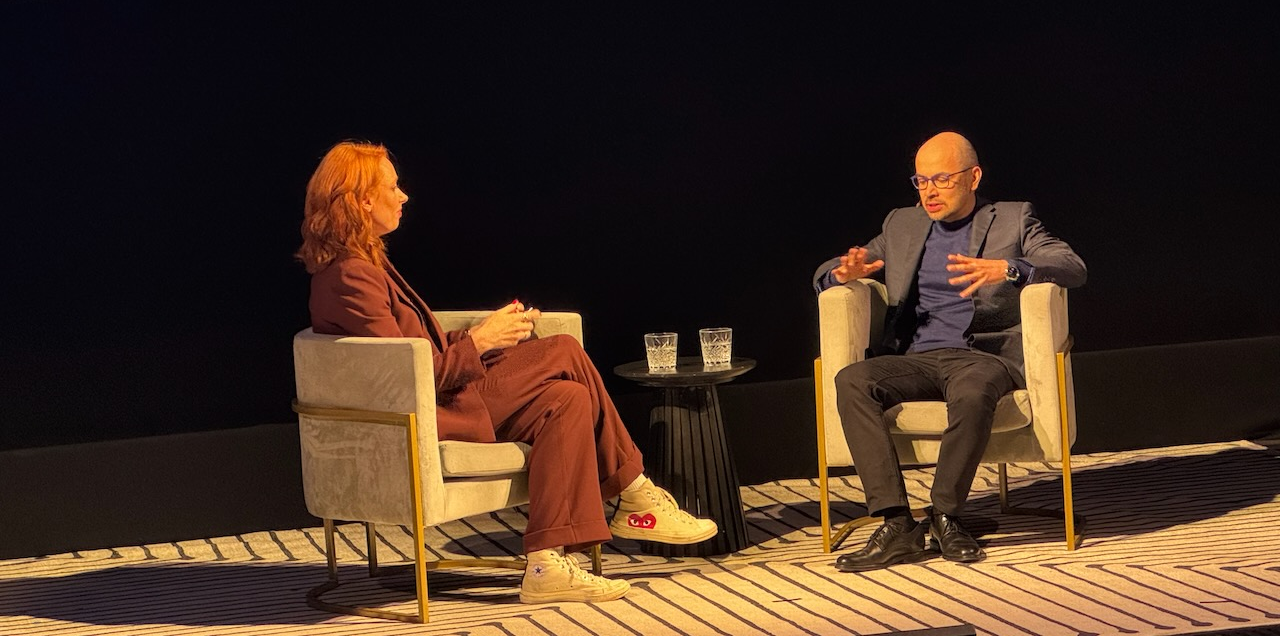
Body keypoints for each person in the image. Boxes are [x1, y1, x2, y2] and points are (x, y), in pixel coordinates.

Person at [298, 140, 717, 604]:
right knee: (562, 350)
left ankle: (544, 564)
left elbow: (416, 353)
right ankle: (635, 490)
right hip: (430, 413)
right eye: (393, 188)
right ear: (362, 200)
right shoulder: (350, 276)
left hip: (448, 394)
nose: (404, 196)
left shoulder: (363, 264)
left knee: (568, 400)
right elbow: (404, 378)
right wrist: (480, 342)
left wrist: (487, 333)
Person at [813, 131, 1086, 571]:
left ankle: (945, 515)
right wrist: (843, 275)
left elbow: (1072, 266)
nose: (930, 191)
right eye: (921, 181)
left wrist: (1011, 268)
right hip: (916, 357)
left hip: (985, 356)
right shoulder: (902, 224)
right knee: (852, 380)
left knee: (974, 391)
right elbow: (829, 269)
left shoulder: (1013, 219)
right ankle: (898, 524)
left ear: (973, 176)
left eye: (941, 178)